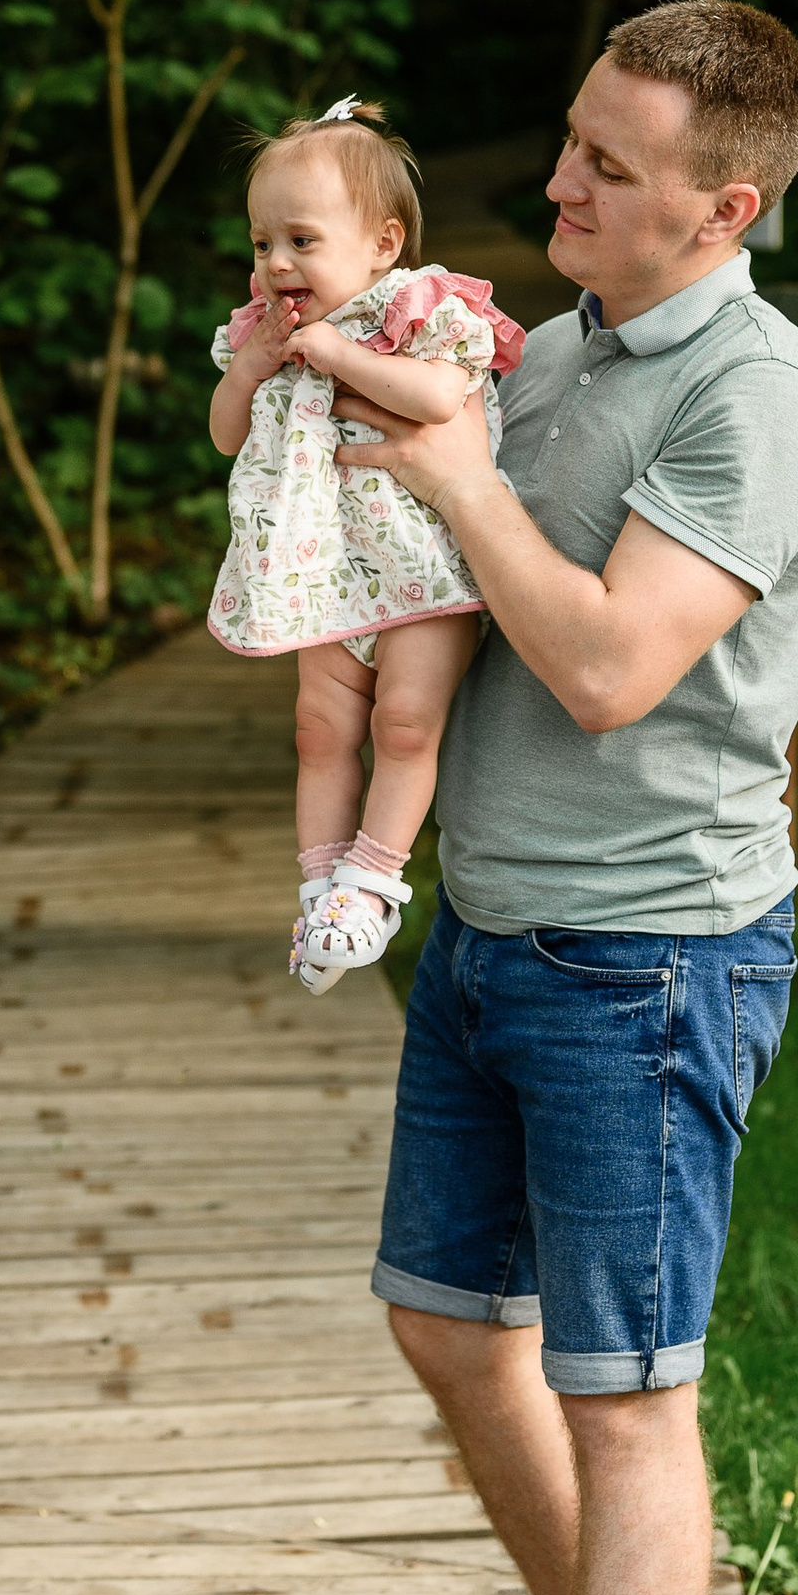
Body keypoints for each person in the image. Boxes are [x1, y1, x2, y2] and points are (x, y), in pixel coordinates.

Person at [343, 1, 798, 1595]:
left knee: (623, 1395)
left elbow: (608, 665)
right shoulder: (548, 350)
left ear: (720, 206)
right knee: (444, 1322)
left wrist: (455, 476)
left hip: (650, 955)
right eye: (565, 143)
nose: (554, 186)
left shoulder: (763, 394)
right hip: (489, 928)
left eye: (608, 171)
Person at [206, 98, 525, 990]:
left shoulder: (417, 307)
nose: (276, 263)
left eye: (301, 241)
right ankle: (321, 888)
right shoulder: (263, 330)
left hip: (421, 567)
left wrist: (339, 357)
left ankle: (375, 879)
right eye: (262, 242)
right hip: (324, 571)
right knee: (319, 730)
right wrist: (249, 368)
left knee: (404, 722)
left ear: (383, 243)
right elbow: (227, 434)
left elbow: (437, 399)